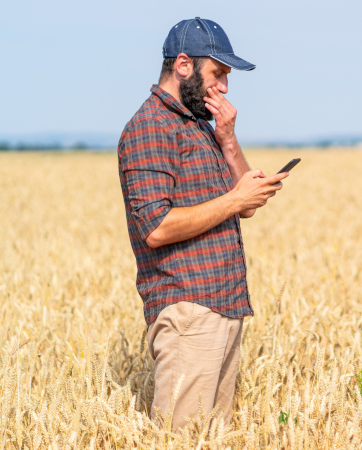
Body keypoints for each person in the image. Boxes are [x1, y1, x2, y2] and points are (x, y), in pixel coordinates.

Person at [117, 17, 287, 430]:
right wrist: (235, 199)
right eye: (218, 73)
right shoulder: (149, 128)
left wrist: (228, 139)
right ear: (182, 65)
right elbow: (156, 228)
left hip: (224, 306)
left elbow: (244, 206)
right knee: (183, 437)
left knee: (213, 437)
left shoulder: (199, 126)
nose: (224, 88)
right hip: (188, 312)